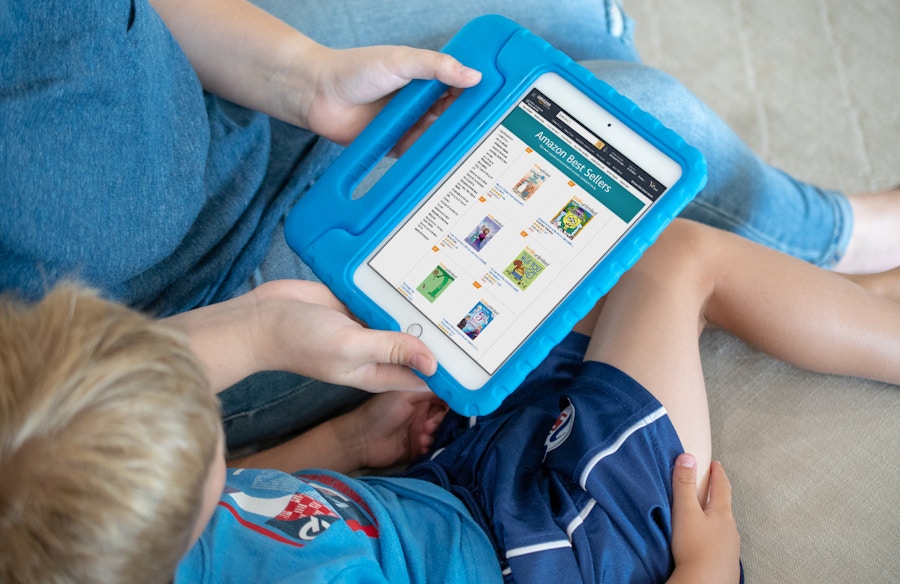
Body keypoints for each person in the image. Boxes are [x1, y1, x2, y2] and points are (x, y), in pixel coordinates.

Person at [3, 0, 899, 454]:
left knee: (560, 11)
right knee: (642, 117)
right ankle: (840, 238)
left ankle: (775, 235)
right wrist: (259, 335)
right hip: (181, 316)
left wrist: (308, 81)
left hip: (204, 109)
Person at [2, 219, 898, 583]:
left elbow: (229, 502)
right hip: (546, 555)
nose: (223, 444)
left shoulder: (75, 532)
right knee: (674, 261)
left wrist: (349, 443)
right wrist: (703, 572)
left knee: (560, 287)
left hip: (434, 489)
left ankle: (862, 303)